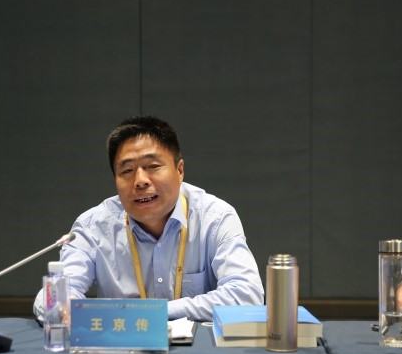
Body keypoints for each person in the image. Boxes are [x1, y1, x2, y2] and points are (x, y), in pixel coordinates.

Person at [33, 115, 264, 321]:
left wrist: (155, 313)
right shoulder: (92, 226)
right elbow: (51, 300)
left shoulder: (215, 218)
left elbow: (246, 295)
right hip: (121, 349)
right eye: (127, 171)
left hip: (197, 350)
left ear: (179, 170)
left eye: (152, 166)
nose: (140, 181)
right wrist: (62, 309)